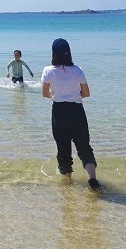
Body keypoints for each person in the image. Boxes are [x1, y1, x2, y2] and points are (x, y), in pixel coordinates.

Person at [41, 38, 103, 191]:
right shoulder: (77, 70)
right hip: (76, 111)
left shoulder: (48, 70)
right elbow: (86, 93)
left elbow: (45, 93)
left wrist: (57, 95)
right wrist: (74, 95)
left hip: (59, 112)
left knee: (63, 148)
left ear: (53, 53)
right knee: (84, 147)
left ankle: (68, 182)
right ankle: (92, 178)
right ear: (69, 52)